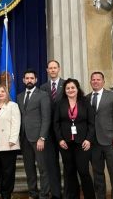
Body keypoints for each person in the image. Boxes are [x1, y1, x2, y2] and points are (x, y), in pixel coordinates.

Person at [54, 78, 95, 199]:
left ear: (77, 89)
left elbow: (92, 123)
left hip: (82, 143)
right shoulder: (60, 104)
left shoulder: (85, 102)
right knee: (69, 172)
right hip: (65, 143)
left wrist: (88, 139)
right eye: (68, 88)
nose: (70, 90)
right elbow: (55, 123)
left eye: (73, 88)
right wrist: (60, 139)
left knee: (83, 171)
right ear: (64, 90)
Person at [87, 72, 113, 199]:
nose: (95, 81)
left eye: (98, 79)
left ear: (103, 81)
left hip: (111, 141)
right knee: (97, 173)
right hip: (94, 143)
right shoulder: (86, 98)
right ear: (90, 82)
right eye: (93, 80)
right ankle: (100, 196)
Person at [17, 69, 51, 199]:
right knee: (29, 169)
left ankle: (44, 195)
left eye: (32, 78)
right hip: (24, 138)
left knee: (43, 168)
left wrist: (42, 137)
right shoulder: (20, 96)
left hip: (38, 138)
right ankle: (33, 194)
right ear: (23, 80)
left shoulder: (43, 95)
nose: (29, 80)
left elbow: (46, 117)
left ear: (36, 80)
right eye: (27, 78)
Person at [40, 60, 67, 199]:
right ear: (47, 70)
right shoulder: (43, 88)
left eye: (55, 68)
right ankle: (56, 194)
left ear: (59, 69)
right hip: (49, 133)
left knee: (68, 164)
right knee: (52, 165)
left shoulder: (67, 85)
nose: (52, 70)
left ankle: (69, 193)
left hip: (65, 132)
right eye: (50, 68)